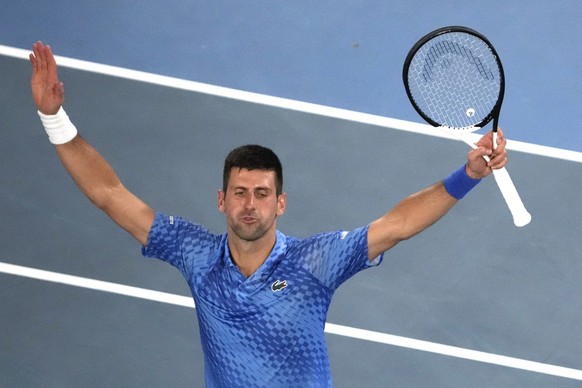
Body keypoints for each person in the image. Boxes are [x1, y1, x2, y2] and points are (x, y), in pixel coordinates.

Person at [29, 41, 508, 387]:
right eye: (240, 192)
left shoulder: (315, 262)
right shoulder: (195, 254)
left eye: (262, 193)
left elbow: (398, 225)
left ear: (280, 203)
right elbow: (110, 194)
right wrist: (55, 118)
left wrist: (467, 175)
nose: (250, 204)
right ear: (222, 200)